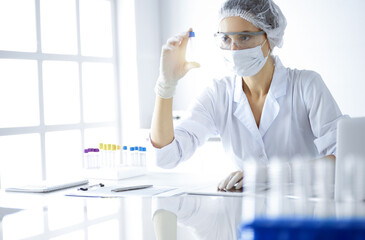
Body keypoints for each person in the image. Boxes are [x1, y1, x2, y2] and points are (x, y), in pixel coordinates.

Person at [150, 0, 345, 191]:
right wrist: (166, 86)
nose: (234, 50)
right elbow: (167, 157)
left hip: (304, 213)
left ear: (270, 39)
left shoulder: (306, 85)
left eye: (244, 37)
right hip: (245, 215)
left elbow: (344, 157)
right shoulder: (218, 94)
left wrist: (273, 174)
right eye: (226, 39)